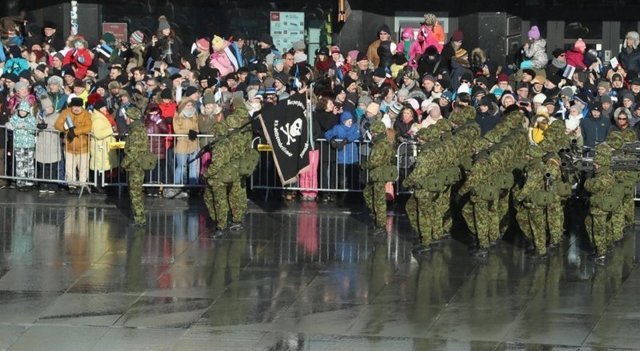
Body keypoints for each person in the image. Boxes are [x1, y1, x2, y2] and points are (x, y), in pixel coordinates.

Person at [361, 121, 395, 232]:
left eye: (373, 132)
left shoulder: (380, 144)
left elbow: (375, 161)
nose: (372, 134)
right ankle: (376, 216)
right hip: (379, 174)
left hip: (379, 174)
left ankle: (380, 224)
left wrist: (364, 165)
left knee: (379, 200)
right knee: (368, 193)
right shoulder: (384, 143)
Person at [54, 97, 92, 194]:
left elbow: (88, 127)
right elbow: (57, 125)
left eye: (78, 106)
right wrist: (66, 129)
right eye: (74, 106)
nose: (76, 108)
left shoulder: (86, 114)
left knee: (83, 168)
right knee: (69, 167)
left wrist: (74, 131)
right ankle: (72, 185)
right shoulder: (66, 112)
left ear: (81, 106)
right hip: (69, 145)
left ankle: (82, 185)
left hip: (83, 146)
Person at [121, 106, 150, 225]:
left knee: (135, 192)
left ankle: (140, 218)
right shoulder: (138, 129)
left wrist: (123, 163)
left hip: (135, 165)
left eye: (127, 116)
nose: (126, 118)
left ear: (131, 118)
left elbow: (133, 151)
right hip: (136, 164)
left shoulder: (136, 131)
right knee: (136, 191)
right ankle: (140, 213)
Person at [89, 99, 119, 193]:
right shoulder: (98, 119)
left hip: (105, 146)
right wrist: (111, 130)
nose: (105, 108)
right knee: (100, 167)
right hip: (100, 147)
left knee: (104, 167)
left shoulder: (102, 117)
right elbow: (98, 134)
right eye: (103, 107)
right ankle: (98, 186)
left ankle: (102, 185)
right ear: (99, 108)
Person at [35, 96, 62, 192]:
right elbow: (35, 126)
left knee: (52, 166)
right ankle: (43, 184)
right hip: (42, 143)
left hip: (52, 143)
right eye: (47, 107)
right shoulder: (39, 115)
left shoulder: (57, 115)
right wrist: (38, 126)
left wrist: (47, 126)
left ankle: (53, 185)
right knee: (42, 166)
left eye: (51, 106)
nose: (49, 108)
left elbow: (60, 127)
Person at [8, 101, 37, 190]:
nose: (22, 112)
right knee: (20, 163)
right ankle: (20, 182)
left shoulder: (31, 119)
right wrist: (14, 125)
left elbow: (34, 130)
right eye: (21, 110)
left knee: (29, 163)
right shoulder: (14, 118)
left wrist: (27, 127)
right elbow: (10, 126)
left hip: (29, 145)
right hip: (18, 145)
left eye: (24, 110)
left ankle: (29, 181)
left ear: (28, 111)